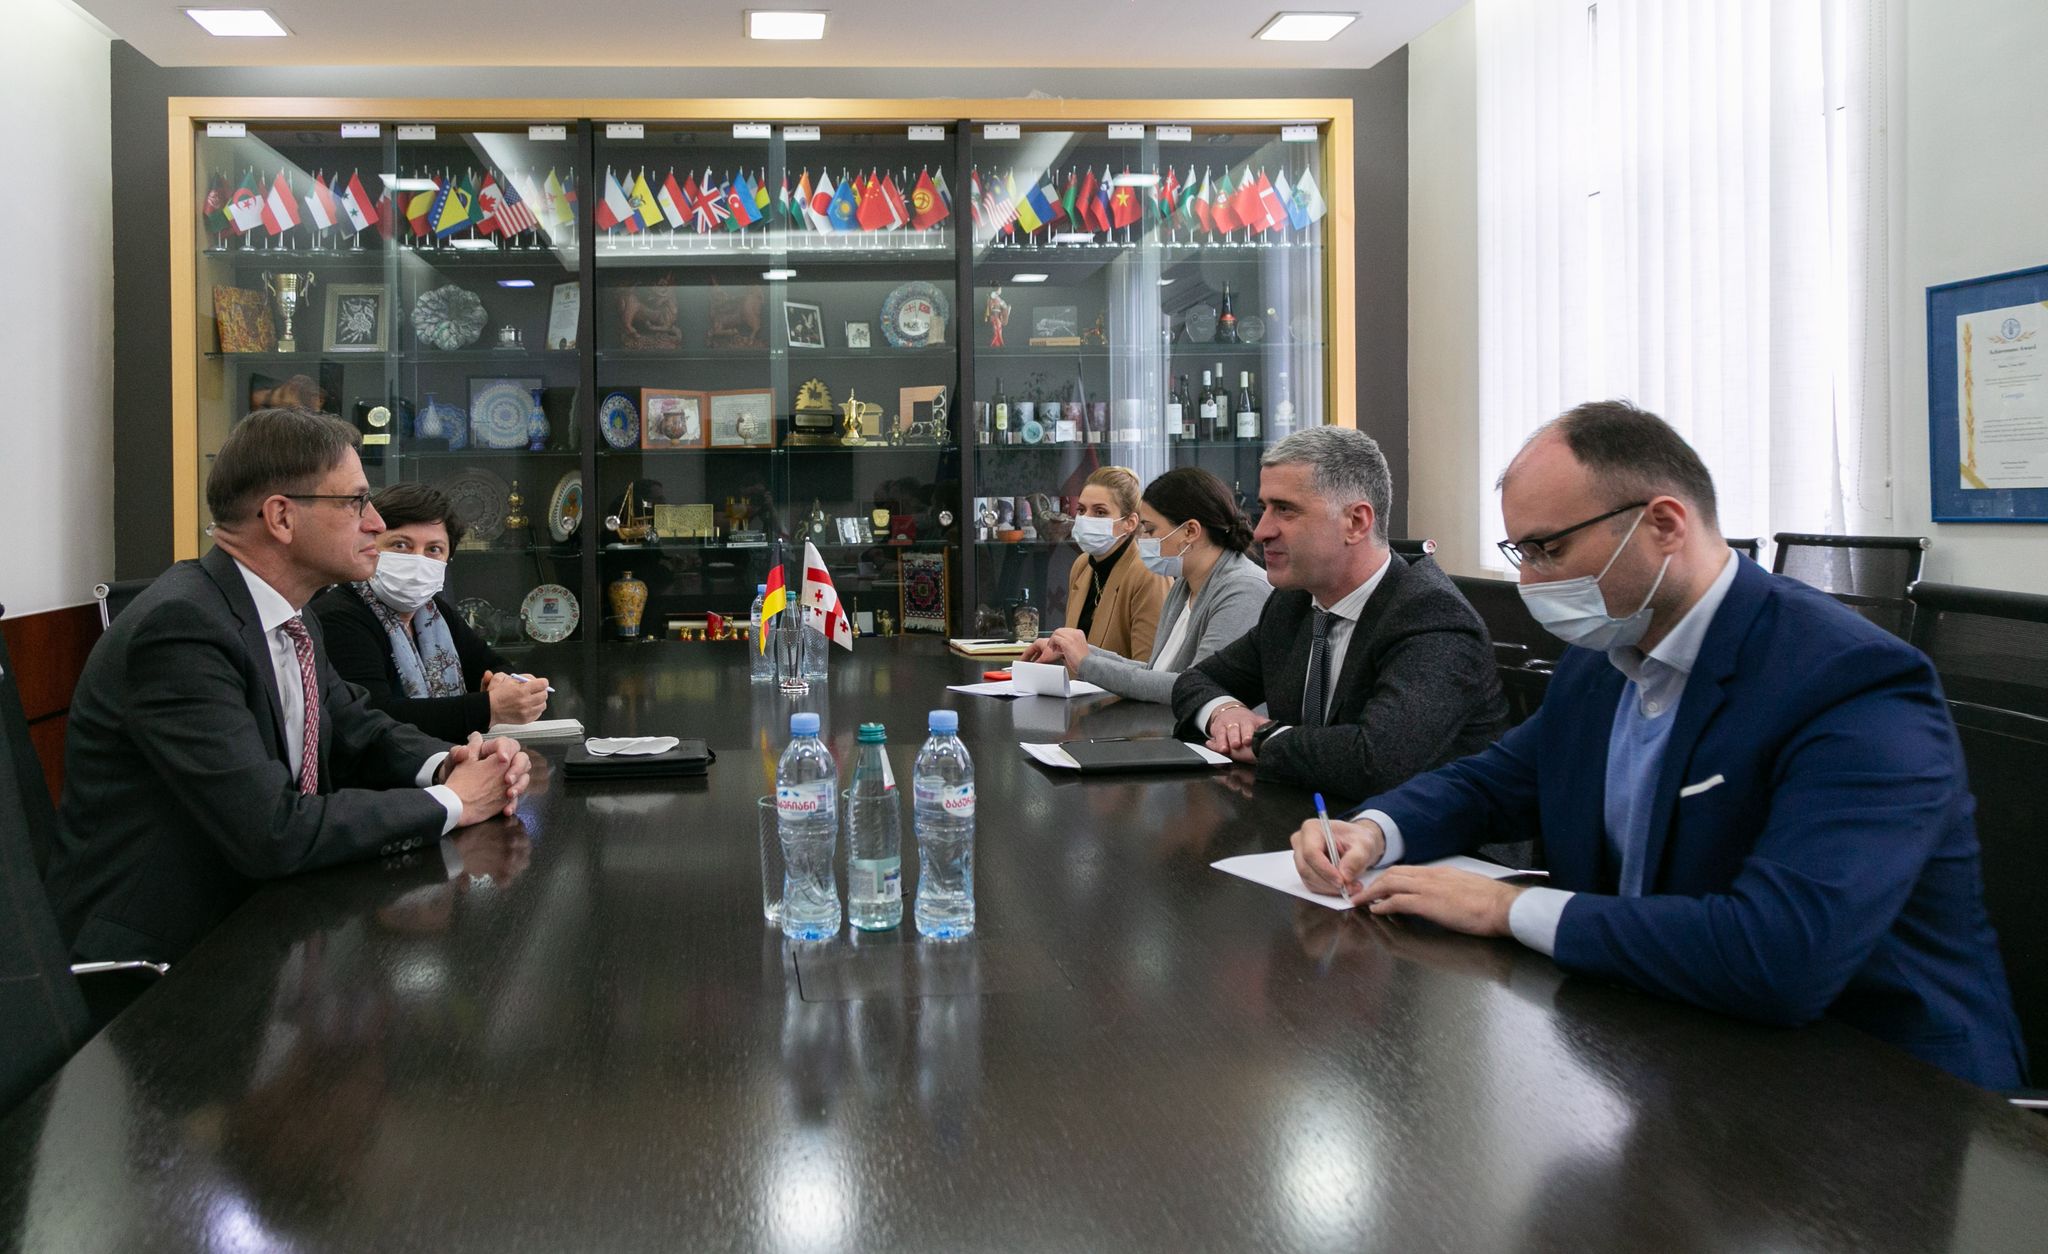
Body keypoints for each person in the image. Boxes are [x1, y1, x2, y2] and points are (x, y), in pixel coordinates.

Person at [1291, 400, 2025, 1089]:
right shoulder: (1604, 659)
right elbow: (1493, 781)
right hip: (1661, 1043)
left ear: (1665, 525)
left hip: (1877, 1087)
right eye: (1520, 550)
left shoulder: (1851, 681)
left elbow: (1782, 952)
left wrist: (1505, 909)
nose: (1527, 580)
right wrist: (1373, 830)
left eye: (1548, 548)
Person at [45, 408, 531, 964]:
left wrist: (450, 762)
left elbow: (358, 728)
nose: (375, 523)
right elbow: (271, 829)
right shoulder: (181, 628)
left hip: (269, 925)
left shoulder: (292, 617)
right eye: (356, 502)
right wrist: (454, 801)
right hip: (166, 963)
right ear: (281, 517)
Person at [1172, 427, 1506, 801]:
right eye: (1264, 508)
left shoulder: (1431, 615)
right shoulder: (1293, 603)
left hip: (1422, 832)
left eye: (1285, 509)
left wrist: (1262, 738)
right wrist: (1225, 713)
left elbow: (1374, 760)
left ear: (1356, 522)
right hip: (1306, 815)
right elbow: (1195, 680)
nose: (1261, 531)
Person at [311, 482, 549, 741]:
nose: (418, 560)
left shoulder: (433, 613)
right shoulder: (338, 616)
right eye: (401, 545)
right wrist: (489, 707)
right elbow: (374, 716)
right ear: (370, 544)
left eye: (434, 549)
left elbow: (491, 665)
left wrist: (503, 682)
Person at [1027, 466, 1270, 703]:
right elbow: (1155, 671)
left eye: (1150, 530)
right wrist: (1073, 650)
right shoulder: (1185, 585)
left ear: (1190, 531)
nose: (1142, 539)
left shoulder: (1243, 589)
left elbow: (1198, 687)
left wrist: (1087, 663)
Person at [1020, 465, 1168, 664]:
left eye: (1100, 512)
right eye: (1081, 510)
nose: (1085, 519)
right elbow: (1081, 650)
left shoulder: (1148, 572)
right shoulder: (1083, 565)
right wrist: (1059, 649)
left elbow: (1148, 669)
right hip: (1077, 684)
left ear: (1130, 523)